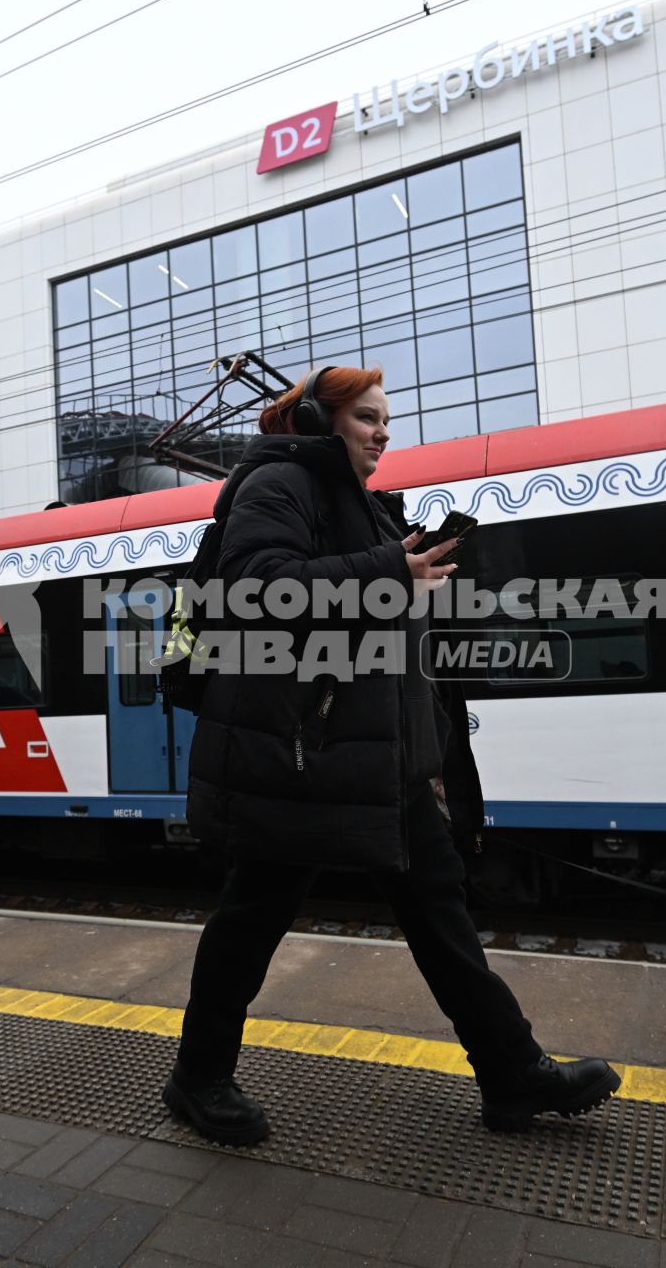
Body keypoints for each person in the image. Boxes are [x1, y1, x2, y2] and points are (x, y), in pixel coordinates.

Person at [162, 364, 621, 1145]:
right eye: (369, 417)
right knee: (252, 917)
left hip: (375, 761)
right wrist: (387, 572)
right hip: (305, 760)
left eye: (385, 419)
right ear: (317, 420)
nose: (383, 432)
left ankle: (511, 1073)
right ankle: (198, 1079)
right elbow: (257, 589)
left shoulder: (358, 507)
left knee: (440, 911)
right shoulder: (277, 483)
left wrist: (401, 578)